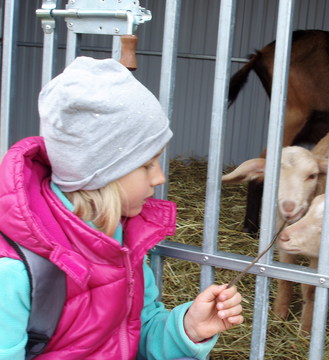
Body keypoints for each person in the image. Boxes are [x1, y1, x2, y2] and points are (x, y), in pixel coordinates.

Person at [0, 56, 244, 359]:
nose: (160, 177)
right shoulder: (14, 271)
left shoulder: (121, 241)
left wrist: (188, 329)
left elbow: (135, 335)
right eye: (146, 165)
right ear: (102, 173)